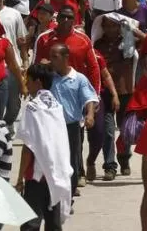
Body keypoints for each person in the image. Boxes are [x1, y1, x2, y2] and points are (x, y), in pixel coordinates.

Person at [16, 63, 72, 231]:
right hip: (57, 172)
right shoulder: (56, 106)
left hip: (37, 175)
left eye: (29, 80)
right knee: (53, 222)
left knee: (31, 223)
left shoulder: (33, 108)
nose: (26, 83)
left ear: (38, 82)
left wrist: (20, 178)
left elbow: (28, 147)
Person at [48, 42, 98, 197]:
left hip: (71, 126)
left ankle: (71, 186)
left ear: (65, 58)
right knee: (54, 158)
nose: (51, 60)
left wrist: (90, 115)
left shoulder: (78, 78)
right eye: (51, 57)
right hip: (52, 126)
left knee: (72, 158)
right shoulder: (48, 77)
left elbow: (89, 98)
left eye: (55, 57)